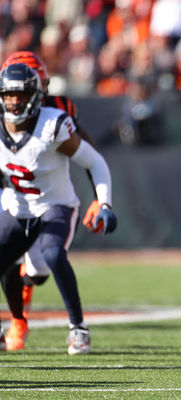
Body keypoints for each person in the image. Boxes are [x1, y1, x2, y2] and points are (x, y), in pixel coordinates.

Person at [0, 63, 117, 354]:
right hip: (17, 209)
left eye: (22, 94)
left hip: (57, 206)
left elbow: (95, 162)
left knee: (51, 255)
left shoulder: (52, 125)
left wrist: (104, 203)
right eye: (8, 94)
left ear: (37, 96)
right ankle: (14, 323)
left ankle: (78, 329)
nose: (15, 101)